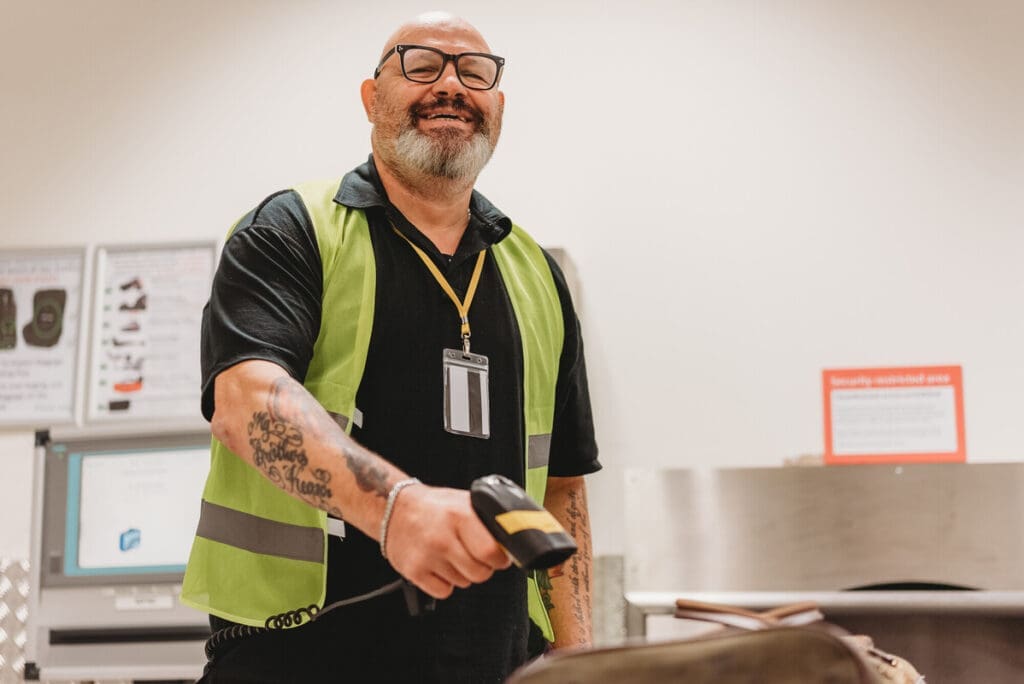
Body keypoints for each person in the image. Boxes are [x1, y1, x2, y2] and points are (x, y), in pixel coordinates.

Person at [182, 11, 600, 683]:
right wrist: (397, 510)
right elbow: (246, 403)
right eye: (420, 65)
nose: (451, 85)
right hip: (299, 660)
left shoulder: (535, 273)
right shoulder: (292, 230)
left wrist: (580, 661)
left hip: (495, 663)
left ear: (498, 106)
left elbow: (563, 486)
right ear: (371, 98)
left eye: (475, 72)